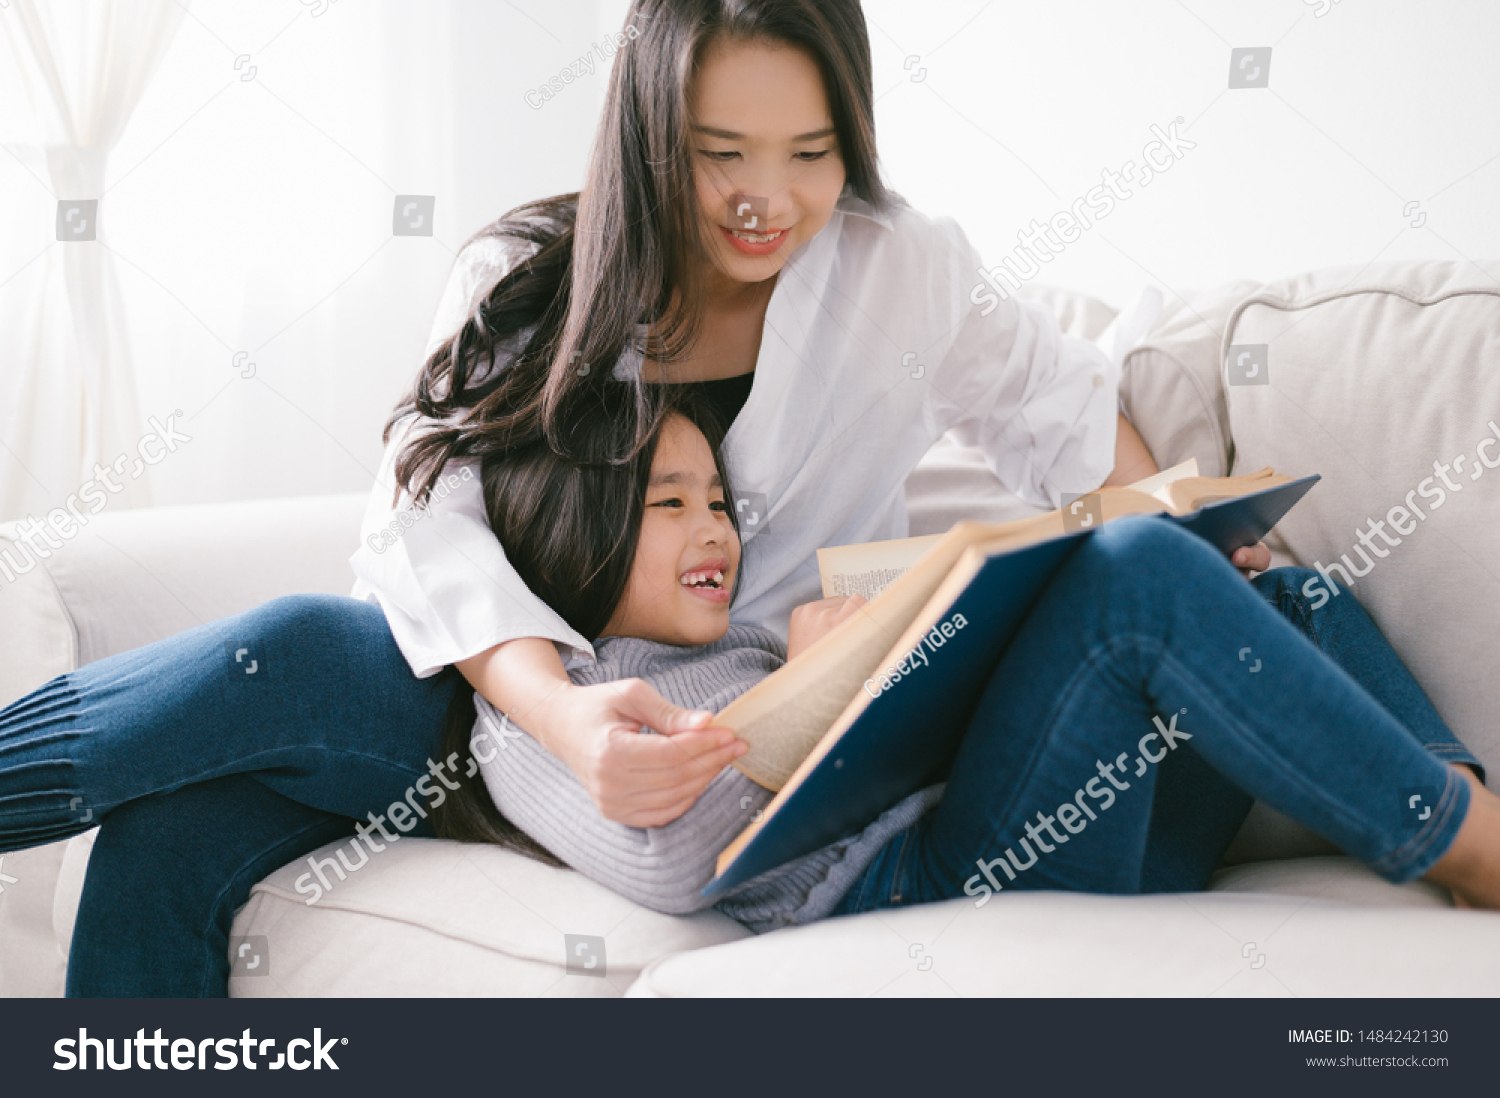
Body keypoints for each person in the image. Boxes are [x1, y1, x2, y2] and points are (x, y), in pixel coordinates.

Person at [0, 0, 1476, 996]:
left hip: (794, 747)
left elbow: (1069, 426)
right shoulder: (530, 283)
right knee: (268, 696)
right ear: (650, 139)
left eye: (811, 154)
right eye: (720, 161)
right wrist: (565, 712)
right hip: (537, 709)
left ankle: (1463, 825)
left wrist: (1180, 529)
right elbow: (423, 521)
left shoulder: (903, 268)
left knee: (1209, 572)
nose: (769, 201)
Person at [425, 388, 1496, 929]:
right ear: (575, 532)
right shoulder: (539, 708)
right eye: (670, 506)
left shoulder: (745, 627)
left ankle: (1454, 792)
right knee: (1132, 579)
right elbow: (672, 863)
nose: (713, 530)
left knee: (1285, 590)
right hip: (925, 888)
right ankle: (1466, 847)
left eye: (717, 503)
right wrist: (814, 693)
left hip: (1092, 844)